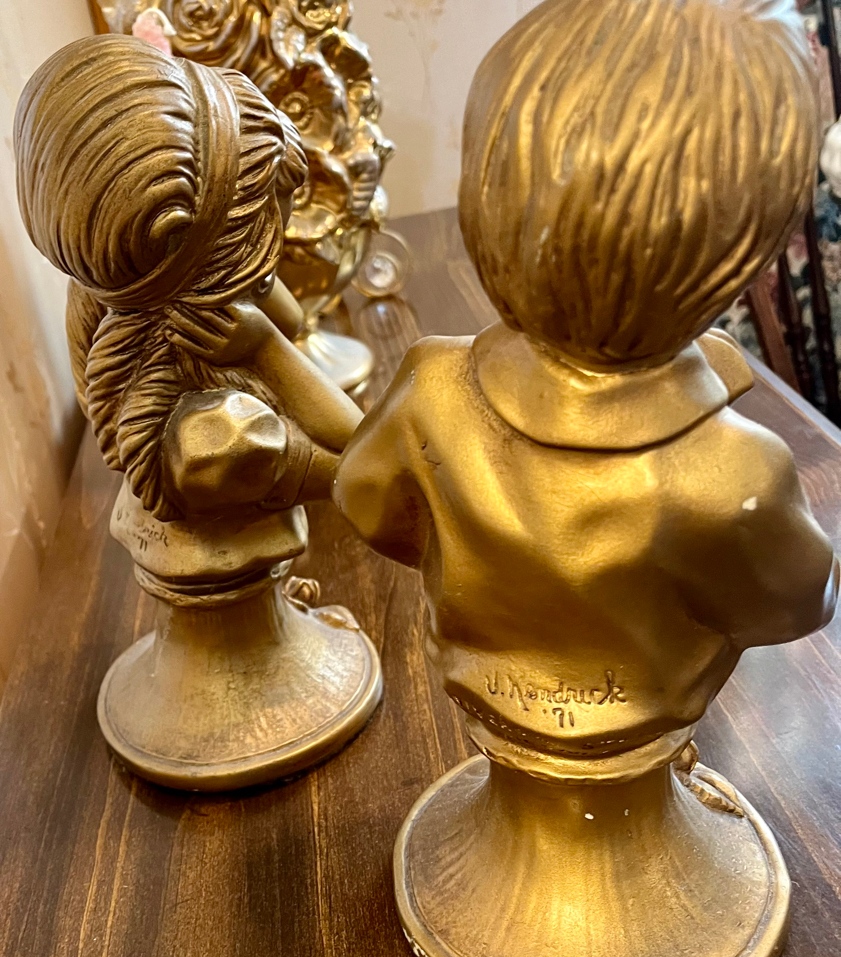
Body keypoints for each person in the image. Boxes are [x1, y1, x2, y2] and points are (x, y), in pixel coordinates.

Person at [335, 0, 839, 756]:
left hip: (479, 694)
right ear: (737, 255)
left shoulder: (430, 383)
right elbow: (801, 602)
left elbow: (364, 502)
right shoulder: (739, 472)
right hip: (643, 733)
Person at [15, 34, 362, 581]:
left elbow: (289, 316)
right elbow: (367, 461)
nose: (281, 244)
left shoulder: (106, 292)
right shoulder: (220, 436)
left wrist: (256, 302)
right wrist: (265, 348)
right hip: (225, 596)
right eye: (269, 227)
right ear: (205, 262)